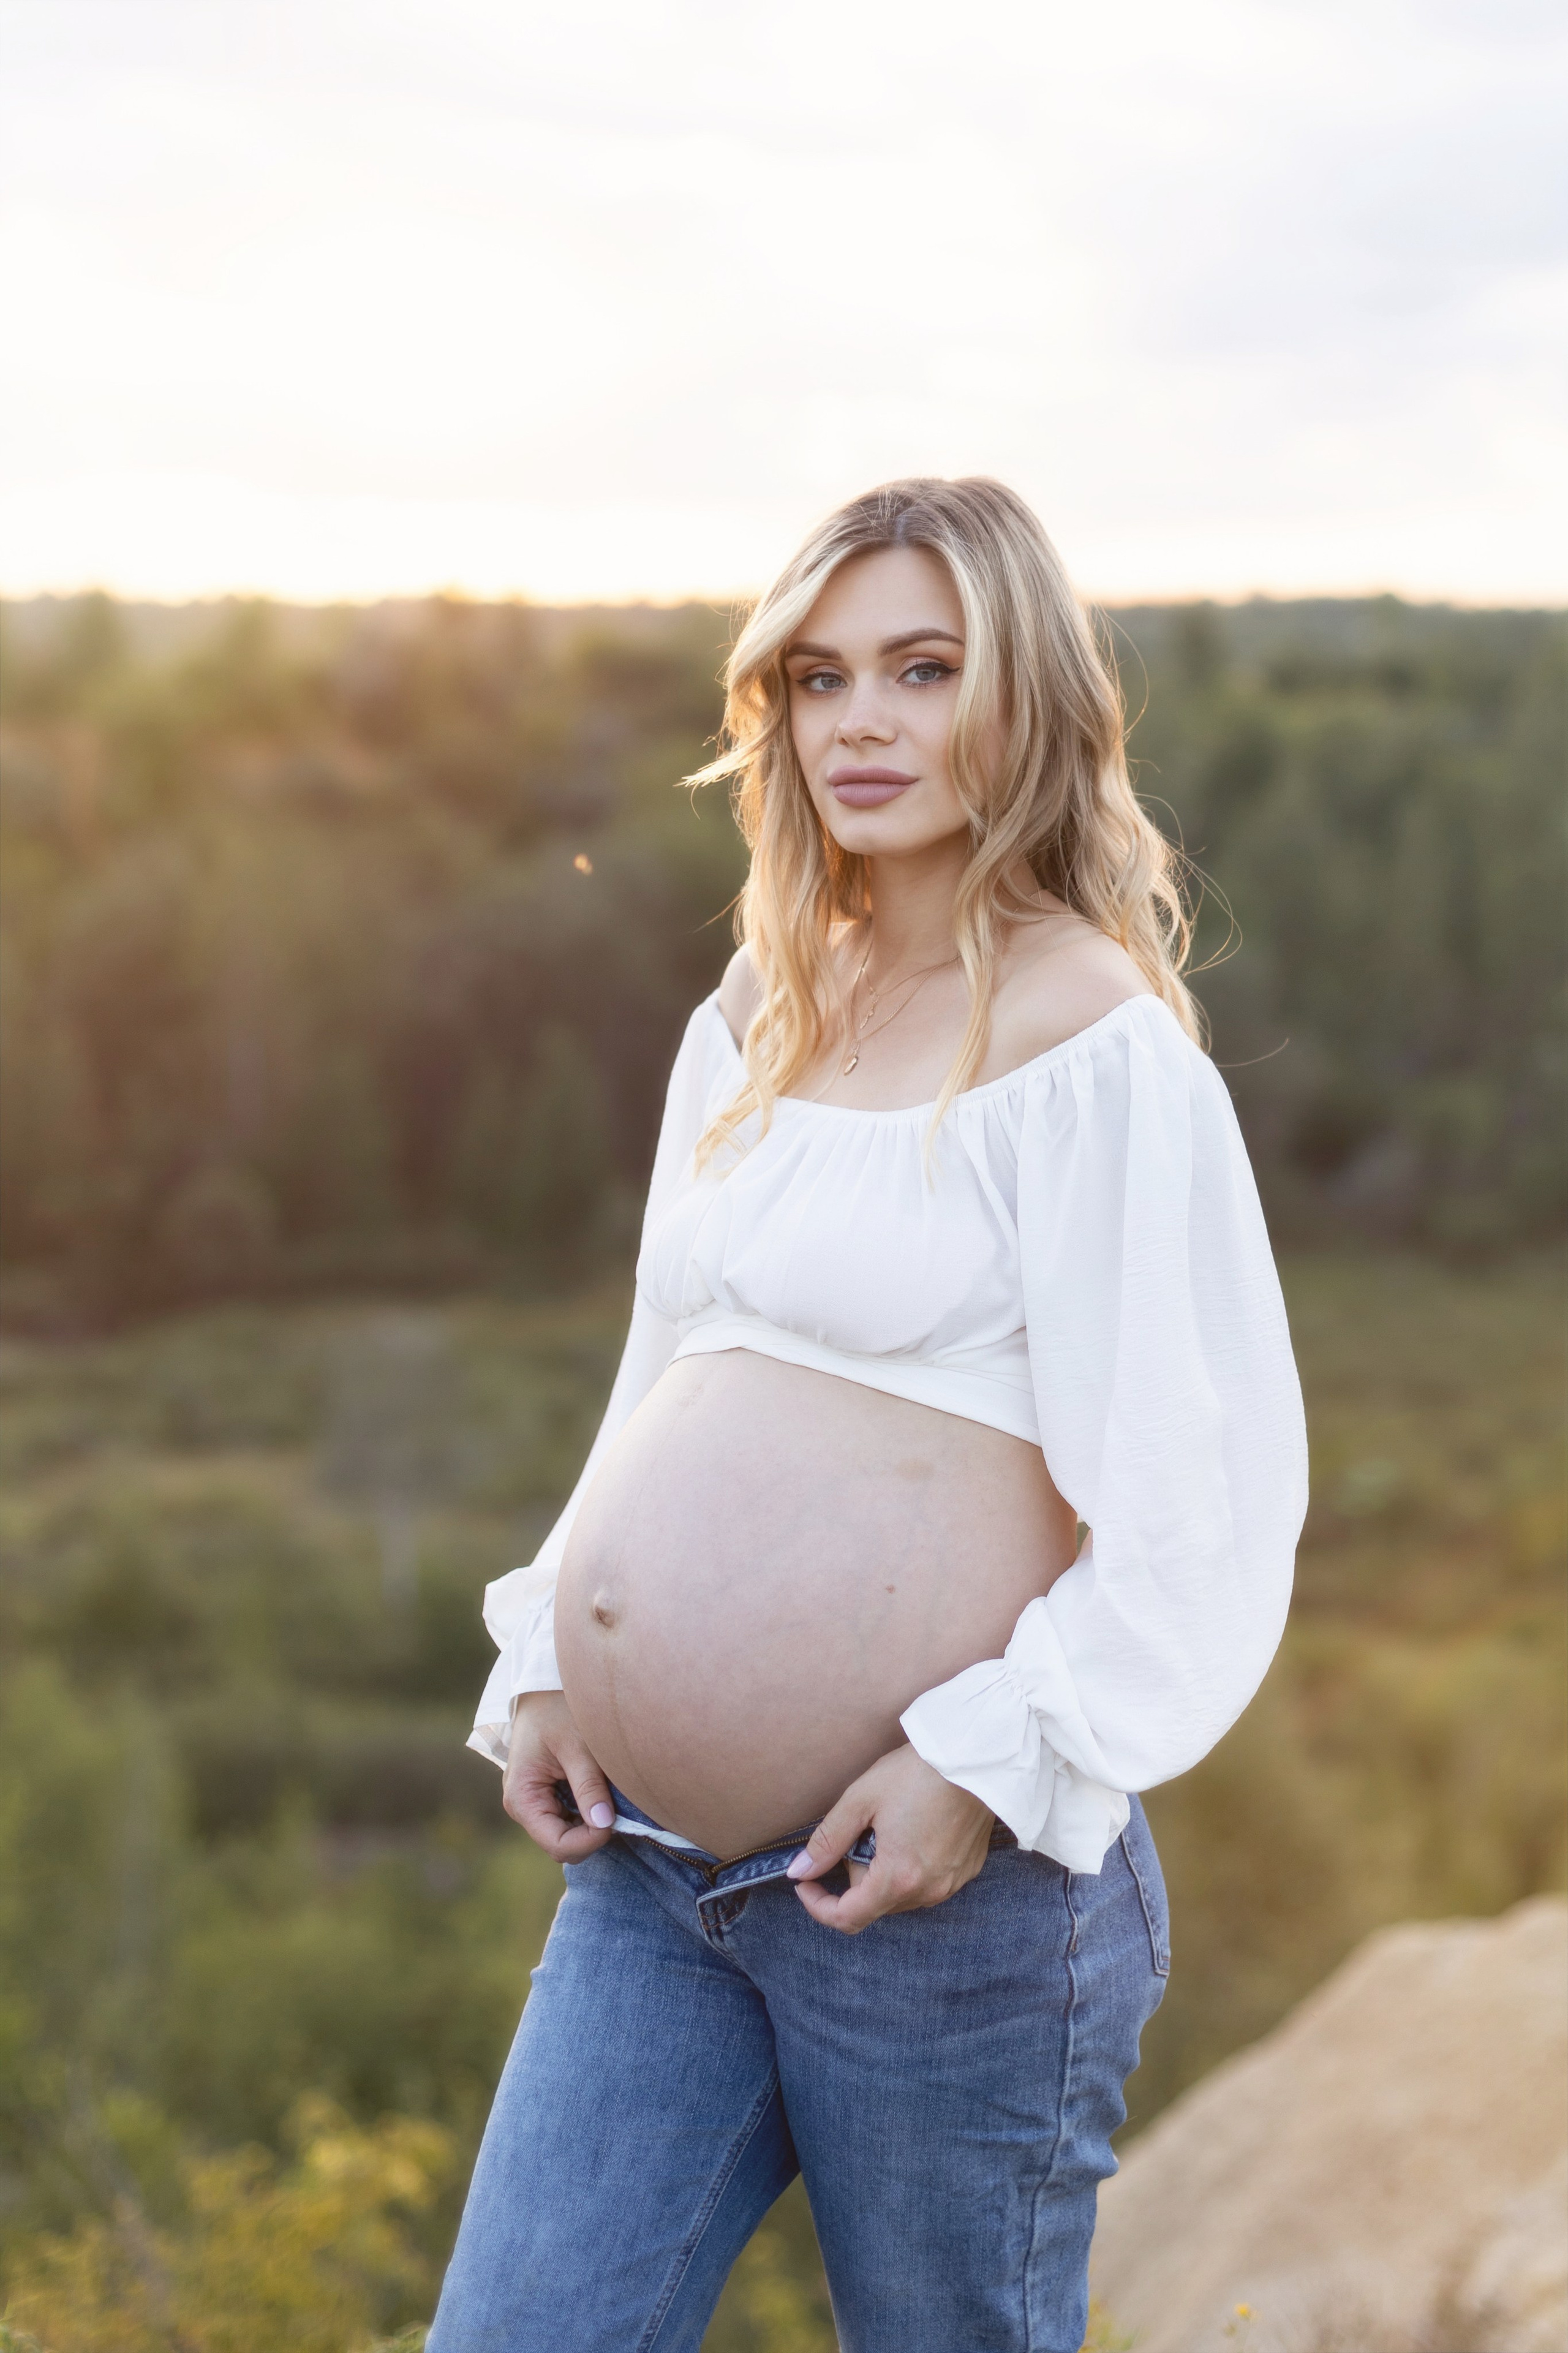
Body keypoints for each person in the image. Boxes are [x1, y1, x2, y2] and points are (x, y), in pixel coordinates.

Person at [427, 477, 1308, 2353]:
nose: (862, 724)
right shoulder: (761, 1003)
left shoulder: (1096, 1050)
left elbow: (1200, 1505)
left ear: (1030, 702)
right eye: (821, 678)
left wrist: (984, 1767)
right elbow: (667, 1364)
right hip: (650, 1871)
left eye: (924, 668)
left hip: (937, 1905)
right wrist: (554, 1660)